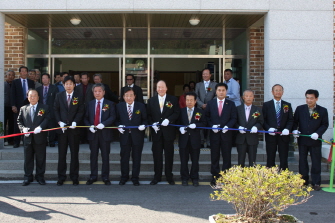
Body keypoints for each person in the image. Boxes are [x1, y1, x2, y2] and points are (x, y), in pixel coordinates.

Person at [292, 89, 329, 191]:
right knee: (302, 162)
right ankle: (303, 181)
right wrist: (295, 131)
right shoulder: (300, 109)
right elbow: (295, 122)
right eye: (307, 98)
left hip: (315, 140)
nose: (309, 100)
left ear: (316, 98)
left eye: (311, 98)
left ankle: (316, 182)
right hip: (303, 140)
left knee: (316, 161)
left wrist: (318, 133)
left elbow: (325, 124)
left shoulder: (322, 110)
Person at [147, 80, 180, 185]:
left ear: (166, 88)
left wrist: (169, 120)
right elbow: (148, 116)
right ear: (156, 89)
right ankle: (157, 176)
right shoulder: (151, 101)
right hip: (156, 133)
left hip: (168, 133)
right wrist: (153, 124)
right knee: (157, 155)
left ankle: (169, 176)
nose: (160, 89)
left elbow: (176, 112)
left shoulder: (173, 99)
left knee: (169, 155)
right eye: (158, 87)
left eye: (162, 87)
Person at [54, 76, 85, 186]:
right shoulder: (59, 96)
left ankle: (74, 176)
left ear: (74, 85)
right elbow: (56, 110)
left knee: (74, 154)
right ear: (63, 85)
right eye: (66, 84)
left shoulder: (78, 96)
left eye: (70, 84)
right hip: (62, 130)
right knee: (62, 154)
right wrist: (59, 122)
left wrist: (75, 121)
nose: (68, 86)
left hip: (74, 130)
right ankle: (61, 177)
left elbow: (81, 110)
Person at [205, 83, 237, 186]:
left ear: (226, 91)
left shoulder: (231, 104)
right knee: (214, 157)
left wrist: (228, 126)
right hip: (214, 135)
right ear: (216, 91)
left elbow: (234, 118)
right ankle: (215, 177)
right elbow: (207, 117)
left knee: (226, 157)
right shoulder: (211, 103)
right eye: (219, 90)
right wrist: (212, 126)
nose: (221, 92)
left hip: (226, 135)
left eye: (223, 90)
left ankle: (226, 177)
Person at [84, 83, 116, 186]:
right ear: (93, 93)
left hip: (105, 133)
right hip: (93, 134)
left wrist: (104, 124)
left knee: (105, 156)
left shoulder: (109, 104)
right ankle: (93, 176)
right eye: (95, 91)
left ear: (104, 92)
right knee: (93, 156)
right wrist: (89, 126)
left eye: (99, 91)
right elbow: (85, 118)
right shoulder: (89, 104)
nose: (97, 93)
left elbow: (112, 117)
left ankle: (105, 177)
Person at [17, 89, 50, 186]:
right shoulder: (23, 108)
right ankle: (28, 177)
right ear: (27, 97)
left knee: (40, 158)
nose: (32, 97)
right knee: (28, 159)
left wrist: (41, 127)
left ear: (38, 97)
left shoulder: (44, 108)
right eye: (30, 96)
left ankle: (40, 177)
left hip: (40, 137)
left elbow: (47, 118)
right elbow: (19, 121)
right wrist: (23, 129)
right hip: (27, 138)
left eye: (34, 95)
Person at [116, 88, 147, 186]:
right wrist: (118, 126)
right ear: (123, 97)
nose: (129, 97)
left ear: (134, 96)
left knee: (136, 157)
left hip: (137, 135)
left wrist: (144, 125)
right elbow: (116, 119)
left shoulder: (140, 106)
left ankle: (135, 177)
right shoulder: (119, 106)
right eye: (126, 95)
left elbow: (145, 119)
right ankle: (124, 177)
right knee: (124, 157)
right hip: (124, 135)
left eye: (131, 95)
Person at [262, 84, 294, 170]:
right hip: (271, 135)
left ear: (282, 92)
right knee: (270, 156)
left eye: (280, 90)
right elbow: (263, 120)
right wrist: (268, 129)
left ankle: (284, 175)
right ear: (272, 92)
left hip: (283, 135)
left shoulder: (287, 105)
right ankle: (270, 176)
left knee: (284, 157)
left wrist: (287, 128)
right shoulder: (266, 105)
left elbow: (290, 119)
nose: (278, 92)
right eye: (276, 90)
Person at [178, 92, 206, 186]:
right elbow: (177, 124)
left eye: (191, 100)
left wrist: (196, 125)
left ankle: (194, 178)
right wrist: (180, 128)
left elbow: (204, 124)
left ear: (195, 101)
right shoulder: (181, 111)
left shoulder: (200, 111)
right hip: (183, 140)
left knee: (195, 160)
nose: (189, 102)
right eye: (187, 100)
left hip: (195, 140)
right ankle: (184, 178)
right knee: (183, 160)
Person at [235, 90, 264, 167]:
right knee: (240, 160)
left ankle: (251, 177)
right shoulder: (237, 109)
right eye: (247, 96)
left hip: (252, 138)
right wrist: (239, 127)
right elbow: (234, 121)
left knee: (252, 161)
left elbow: (261, 122)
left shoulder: (257, 110)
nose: (248, 98)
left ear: (253, 97)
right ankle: (241, 176)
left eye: (250, 96)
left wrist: (256, 127)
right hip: (241, 139)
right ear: (243, 97)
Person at [11, 66, 35, 148]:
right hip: (18, 106)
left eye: (25, 71)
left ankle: (28, 142)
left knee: (29, 123)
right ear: (19, 73)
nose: (24, 73)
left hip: (29, 105)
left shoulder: (31, 82)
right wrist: (13, 105)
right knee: (17, 124)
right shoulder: (15, 82)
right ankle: (16, 142)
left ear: (27, 73)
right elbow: (12, 94)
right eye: (22, 71)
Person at [195, 68, 217, 148]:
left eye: (206, 73)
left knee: (209, 125)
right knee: (199, 125)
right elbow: (196, 96)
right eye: (203, 74)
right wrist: (201, 104)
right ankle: (201, 141)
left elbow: (216, 95)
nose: (205, 75)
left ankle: (208, 142)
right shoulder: (198, 85)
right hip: (200, 108)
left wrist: (209, 105)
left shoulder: (214, 84)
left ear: (210, 75)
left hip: (211, 109)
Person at [36, 73, 59, 147]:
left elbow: (56, 100)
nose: (44, 79)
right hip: (42, 110)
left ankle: (51, 142)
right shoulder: (38, 89)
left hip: (51, 110)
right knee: (43, 125)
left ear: (49, 79)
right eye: (43, 78)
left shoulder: (54, 88)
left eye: (46, 78)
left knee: (52, 126)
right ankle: (44, 141)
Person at [4, 70, 15, 146]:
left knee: (12, 124)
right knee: (3, 123)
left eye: (12, 75)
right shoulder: (3, 84)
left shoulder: (15, 84)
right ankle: (3, 139)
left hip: (12, 107)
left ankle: (10, 140)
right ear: (6, 76)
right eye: (9, 75)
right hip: (4, 107)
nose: (11, 76)